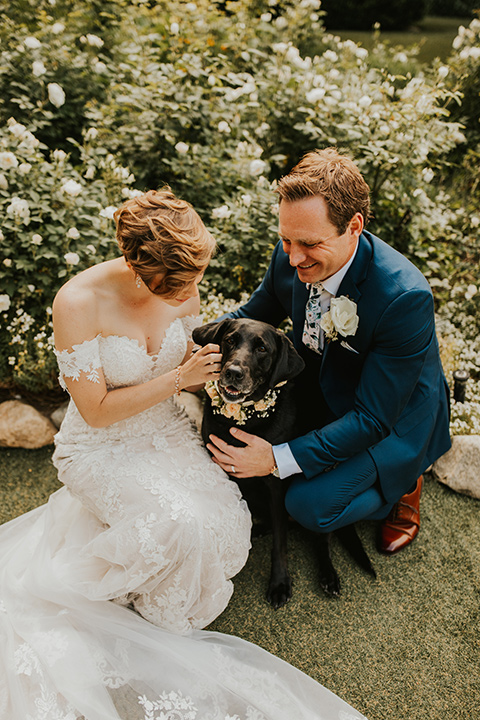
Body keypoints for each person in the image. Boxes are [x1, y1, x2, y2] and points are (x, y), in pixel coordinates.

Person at [0, 188, 367, 719]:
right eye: (183, 281)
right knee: (178, 525)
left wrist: (236, 390)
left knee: (224, 518)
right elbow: (98, 410)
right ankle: (133, 611)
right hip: (100, 444)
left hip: (166, 430)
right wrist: (180, 378)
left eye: (196, 278)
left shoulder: (183, 284)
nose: (193, 292)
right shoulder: (78, 303)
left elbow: (201, 371)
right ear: (136, 263)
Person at [208, 148, 451, 556]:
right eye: (286, 239)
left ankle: (403, 485)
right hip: (324, 386)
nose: (293, 257)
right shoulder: (291, 252)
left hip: (390, 415)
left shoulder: (404, 297)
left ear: (354, 226)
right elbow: (253, 312)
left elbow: (373, 417)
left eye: (308, 243)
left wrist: (274, 459)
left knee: (306, 505)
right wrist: (190, 344)